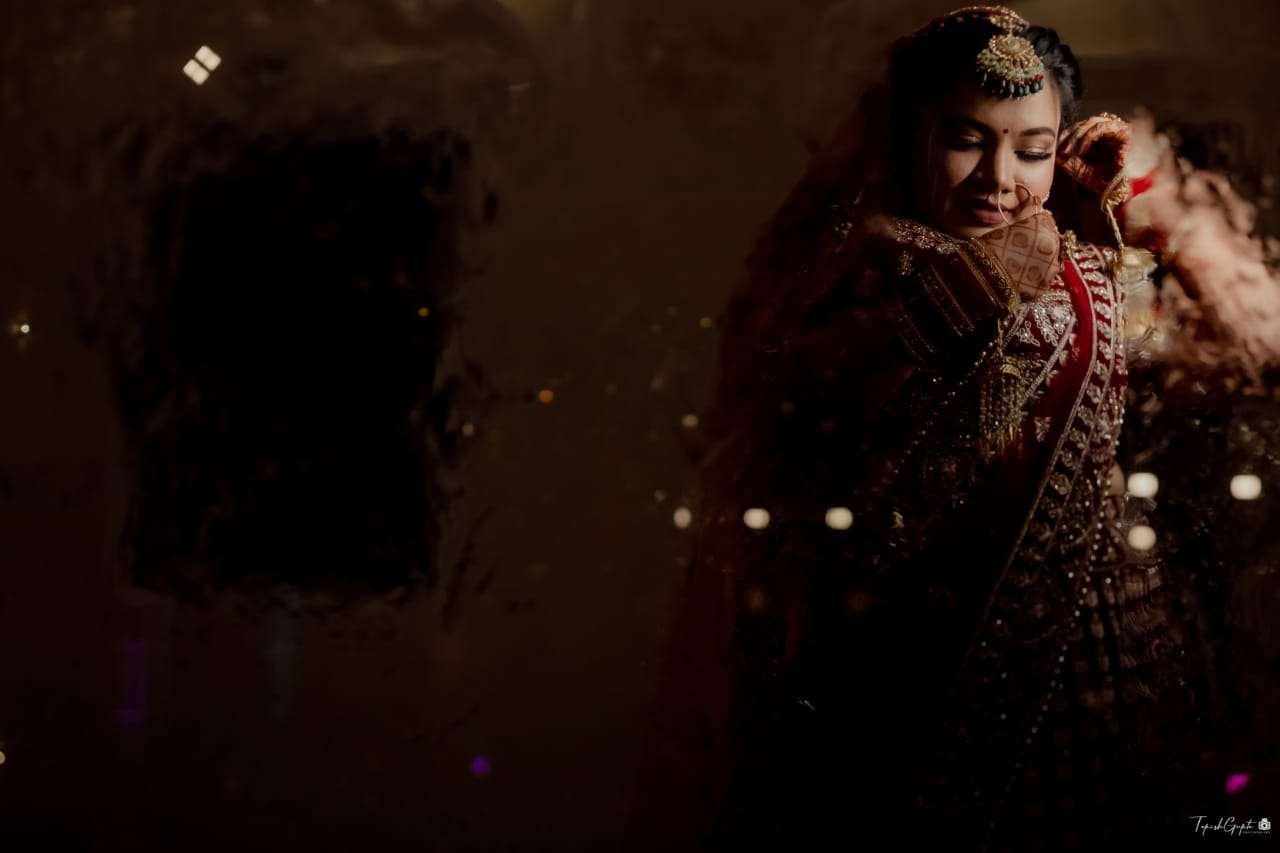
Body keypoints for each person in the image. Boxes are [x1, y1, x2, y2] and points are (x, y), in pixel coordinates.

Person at [626, 6, 1280, 851]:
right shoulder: (858, 283)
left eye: (1033, 149)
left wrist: (1125, 216)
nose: (998, 178)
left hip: (1102, 667)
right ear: (908, 139)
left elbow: (1224, 356)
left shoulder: (1078, 264)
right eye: (967, 140)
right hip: (909, 676)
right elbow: (844, 407)